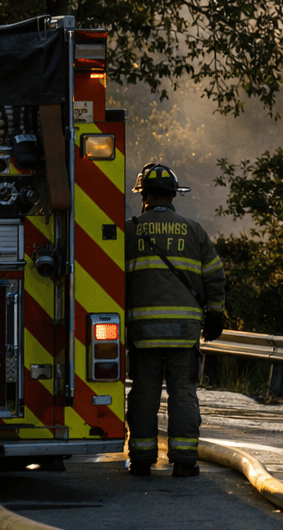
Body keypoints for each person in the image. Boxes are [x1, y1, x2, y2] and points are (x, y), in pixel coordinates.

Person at [125, 163, 226, 477]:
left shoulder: (129, 230)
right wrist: (215, 314)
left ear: (144, 196)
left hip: (143, 330)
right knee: (183, 391)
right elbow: (215, 276)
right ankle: (184, 461)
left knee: (144, 391)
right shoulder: (193, 230)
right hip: (184, 330)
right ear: (173, 196)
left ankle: (141, 459)